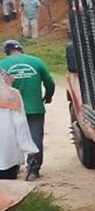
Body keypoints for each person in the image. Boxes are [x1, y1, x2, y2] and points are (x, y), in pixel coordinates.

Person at [0, 40, 53, 181]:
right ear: (21, 49)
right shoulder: (37, 62)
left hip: (11, 108)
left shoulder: (2, 64)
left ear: (7, 51)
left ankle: (12, 167)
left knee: (11, 138)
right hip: (34, 108)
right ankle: (33, 170)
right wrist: (48, 96)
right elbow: (49, 82)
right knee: (35, 138)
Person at [0, 70, 38, 180]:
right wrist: (29, 148)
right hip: (7, 150)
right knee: (7, 184)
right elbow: (20, 123)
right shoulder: (13, 95)